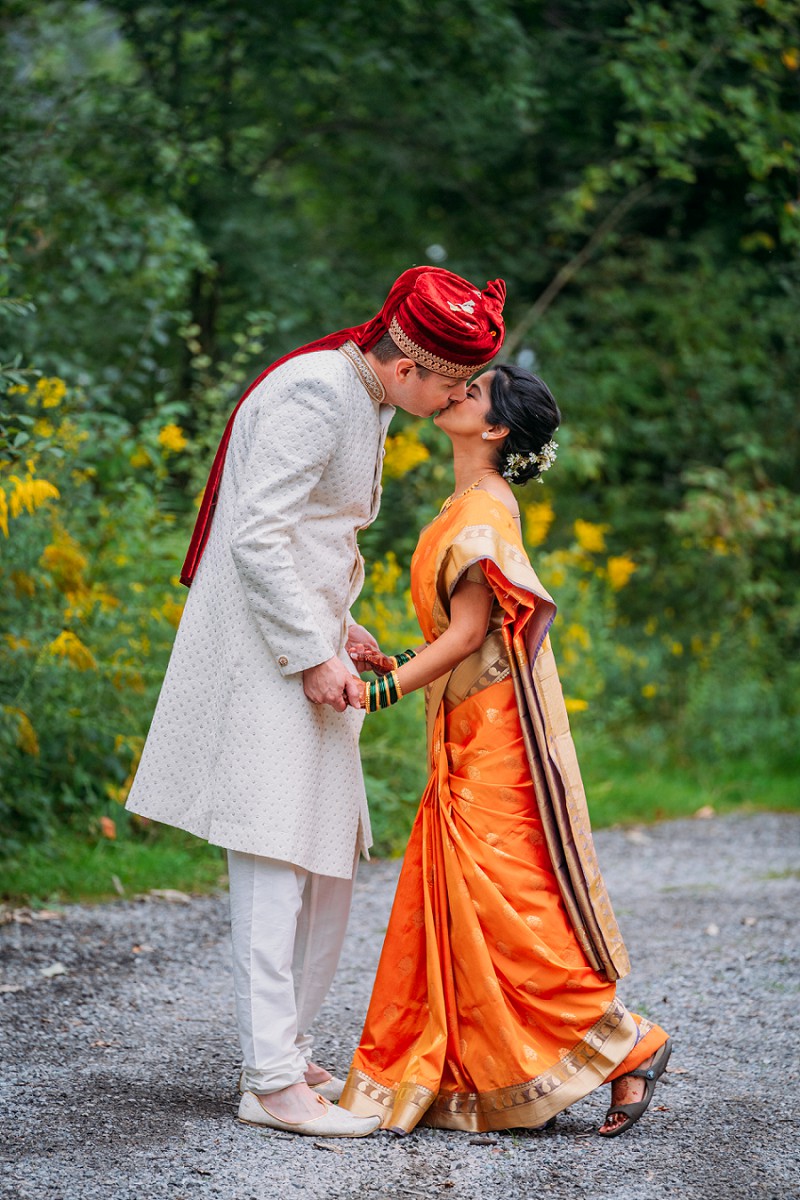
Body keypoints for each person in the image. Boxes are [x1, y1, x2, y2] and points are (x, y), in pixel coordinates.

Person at [125, 266, 507, 1138]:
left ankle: (285, 1051)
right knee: (272, 852)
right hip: (266, 652)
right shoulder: (316, 393)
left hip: (302, 640)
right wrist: (309, 652)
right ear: (408, 363)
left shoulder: (359, 393)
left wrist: (347, 628)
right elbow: (255, 535)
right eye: (451, 382)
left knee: (323, 853)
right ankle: (267, 1081)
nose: (456, 397)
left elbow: (308, 537)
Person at [340, 363, 671, 1137]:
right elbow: (458, 637)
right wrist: (403, 664)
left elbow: (463, 637)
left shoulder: (484, 511)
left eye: (474, 390)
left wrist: (376, 694)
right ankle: (495, 1067)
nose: (454, 390)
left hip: (493, 740)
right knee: (475, 908)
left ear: (493, 429)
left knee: (506, 905)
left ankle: (627, 1041)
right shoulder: (468, 500)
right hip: (463, 722)